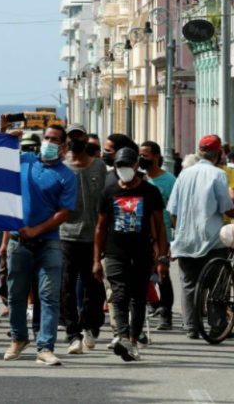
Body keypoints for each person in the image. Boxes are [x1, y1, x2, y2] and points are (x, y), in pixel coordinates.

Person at [1, 122, 77, 366]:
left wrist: (37, 230)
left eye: (55, 140)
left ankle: (45, 347)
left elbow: (64, 212)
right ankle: (18, 338)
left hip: (49, 243)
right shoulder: (25, 161)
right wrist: (6, 135)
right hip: (17, 240)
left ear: (63, 147)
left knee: (48, 296)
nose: (49, 143)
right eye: (47, 137)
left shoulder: (66, 176)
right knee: (16, 294)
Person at [93, 148, 168, 362]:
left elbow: (160, 226)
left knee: (137, 297)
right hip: (115, 253)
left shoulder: (149, 192)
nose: (123, 169)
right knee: (119, 294)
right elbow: (100, 228)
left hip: (143, 253)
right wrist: (96, 260)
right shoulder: (108, 192)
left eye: (127, 165)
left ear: (136, 165)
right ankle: (123, 337)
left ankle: (133, 341)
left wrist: (162, 257)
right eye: (119, 166)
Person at [166, 135, 234, 339]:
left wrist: (178, 233)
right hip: (211, 240)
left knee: (188, 284)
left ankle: (191, 327)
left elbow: (173, 210)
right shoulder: (217, 175)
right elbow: (226, 207)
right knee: (217, 285)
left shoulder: (184, 174)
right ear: (218, 154)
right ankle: (217, 325)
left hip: (185, 240)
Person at [60, 123, 106, 354]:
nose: (75, 140)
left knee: (94, 287)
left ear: (86, 138)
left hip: (94, 236)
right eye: (72, 137)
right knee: (67, 287)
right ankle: (72, 334)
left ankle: (91, 324)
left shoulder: (99, 166)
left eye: (79, 136)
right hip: (67, 235)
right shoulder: (63, 167)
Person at [140, 141, 176, 331]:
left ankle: (166, 314)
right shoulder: (140, 179)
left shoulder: (169, 181)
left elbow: (176, 210)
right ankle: (150, 307)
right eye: (140, 155)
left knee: (162, 274)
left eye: (145, 155)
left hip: (163, 235)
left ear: (156, 157)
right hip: (142, 233)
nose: (141, 159)